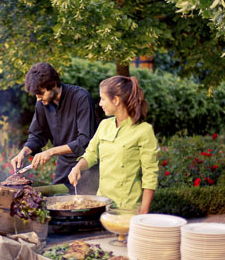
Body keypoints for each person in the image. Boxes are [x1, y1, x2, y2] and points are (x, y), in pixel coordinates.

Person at [68, 75, 159, 213]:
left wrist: (143, 213)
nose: (100, 103)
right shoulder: (104, 125)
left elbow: (150, 176)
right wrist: (78, 167)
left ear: (115, 100)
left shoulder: (144, 131)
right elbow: (91, 154)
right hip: (102, 205)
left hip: (127, 208)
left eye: (103, 99)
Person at [10, 62, 98, 192]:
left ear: (54, 85)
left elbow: (84, 141)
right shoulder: (42, 103)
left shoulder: (81, 98)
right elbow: (37, 135)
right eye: (35, 94)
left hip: (86, 167)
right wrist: (23, 153)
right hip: (63, 166)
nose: (38, 98)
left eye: (40, 93)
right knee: (55, 204)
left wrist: (51, 152)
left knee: (84, 208)